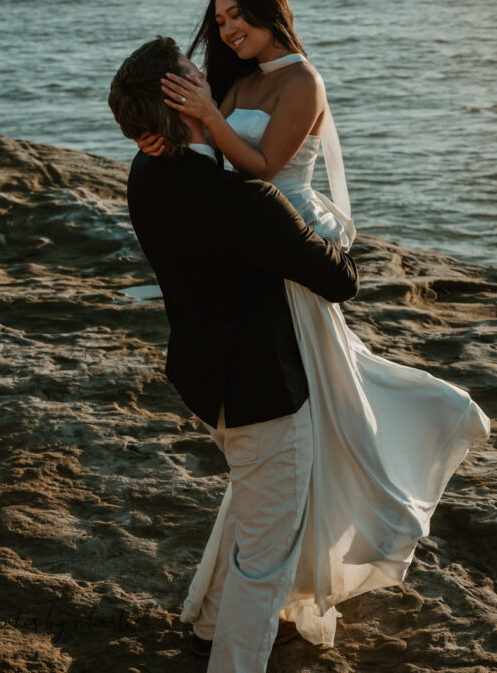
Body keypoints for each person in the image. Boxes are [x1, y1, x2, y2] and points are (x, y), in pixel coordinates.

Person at [138, 0, 491, 647]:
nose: (228, 27)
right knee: (279, 440)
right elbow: (212, 157)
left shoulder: (300, 81)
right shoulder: (233, 78)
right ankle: (236, 597)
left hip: (286, 247)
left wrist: (209, 116)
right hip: (250, 246)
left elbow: (263, 168)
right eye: (219, 18)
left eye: (238, 13)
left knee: (315, 408)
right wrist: (177, 128)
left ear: (272, 9)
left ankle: (399, 467)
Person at [108, 34, 360, 672]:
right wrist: (321, 225)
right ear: (182, 103)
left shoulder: (145, 174)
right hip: (265, 396)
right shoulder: (247, 201)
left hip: (205, 381)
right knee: (269, 555)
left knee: (252, 508)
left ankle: (207, 628)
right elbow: (341, 279)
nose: (205, 79)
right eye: (192, 77)